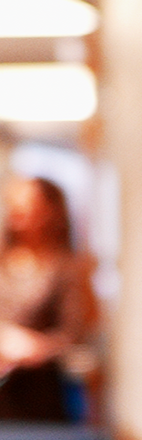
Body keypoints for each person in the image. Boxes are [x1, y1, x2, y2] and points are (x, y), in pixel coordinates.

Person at [0, 176, 97, 422]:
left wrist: (33, 348)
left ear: (50, 210)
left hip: (42, 393)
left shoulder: (67, 267)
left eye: (28, 202)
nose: (18, 208)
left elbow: (75, 332)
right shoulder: (2, 261)